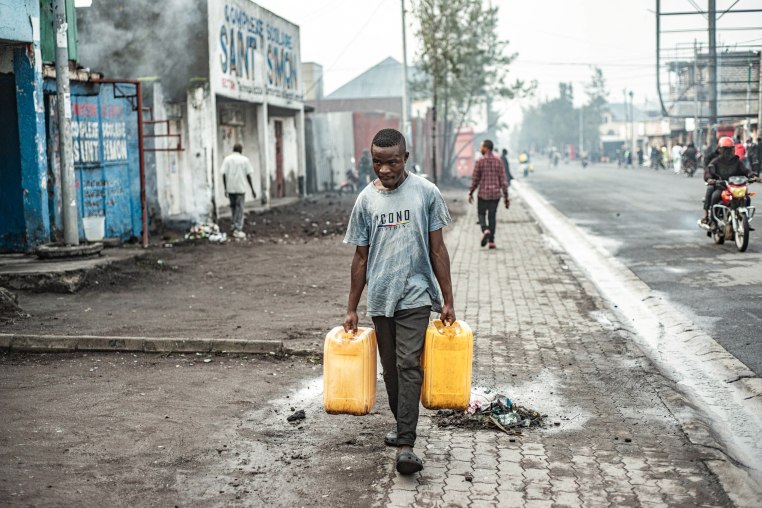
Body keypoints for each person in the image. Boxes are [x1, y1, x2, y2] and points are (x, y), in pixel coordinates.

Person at [342, 128, 455, 476]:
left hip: (416, 294)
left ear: (405, 158)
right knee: (390, 371)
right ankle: (401, 425)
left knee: (408, 364)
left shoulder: (425, 193)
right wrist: (351, 307)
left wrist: (448, 298)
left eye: (391, 162)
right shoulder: (366, 200)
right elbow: (361, 259)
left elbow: (437, 249)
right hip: (380, 297)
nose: (385, 170)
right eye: (378, 162)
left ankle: (406, 444)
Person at [699, 136, 759, 228]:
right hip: (722, 187)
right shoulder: (715, 161)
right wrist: (710, 179)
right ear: (720, 150)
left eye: (729, 149)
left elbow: (746, 171)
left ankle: (745, 220)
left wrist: (753, 176)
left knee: (747, 198)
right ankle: (713, 221)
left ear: (733, 149)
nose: (727, 152)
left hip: (736, 187)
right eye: (725, 149)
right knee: (715, 196)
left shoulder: (737, 161)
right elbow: (708, 172)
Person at [468, 139, 510, 249]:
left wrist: (471, 192)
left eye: (482, 146)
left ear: (486, 148)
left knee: (481, 214)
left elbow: (475, 179)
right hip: (495, 195)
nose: (481, 148)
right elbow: (503, 180)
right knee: (492, 217)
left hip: (483, 194)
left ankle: (485, 229)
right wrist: (506, 196)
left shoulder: (480, 161)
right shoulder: (499, 161)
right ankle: (491, 241)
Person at [221, 143, 256, 238]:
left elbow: (223, 174)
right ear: (241, 150)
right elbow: (248, 175)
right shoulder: (245, 160)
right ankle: (238, 228)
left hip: (230, 188)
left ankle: (233, 225)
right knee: (239, 208)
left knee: (233, 207)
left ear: (233, 149)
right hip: (240, 188)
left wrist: (225, 188)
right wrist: (252, 189)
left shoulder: (227, 159)